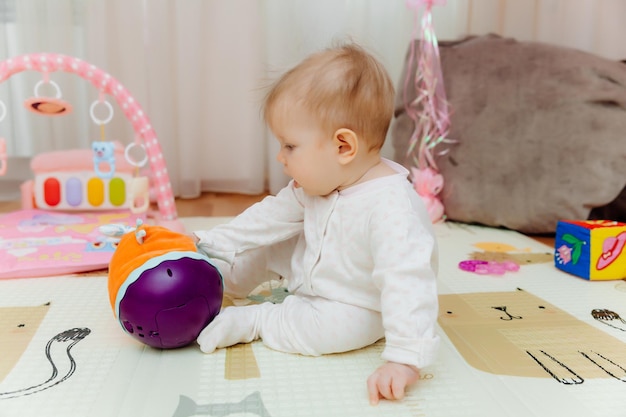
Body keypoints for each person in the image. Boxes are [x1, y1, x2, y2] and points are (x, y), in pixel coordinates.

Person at [193, 43, 440, 405]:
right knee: (275, 241)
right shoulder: (321, 183)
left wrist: (404, 358)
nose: (280, 157)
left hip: (356, 303)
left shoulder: (392, 210)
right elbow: (268, 217)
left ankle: (260, 321)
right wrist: (210, 242)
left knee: (331, 331)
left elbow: (408, 284)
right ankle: (223, 274)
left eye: (290, 146)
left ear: (343, 146)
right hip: (312, 269)